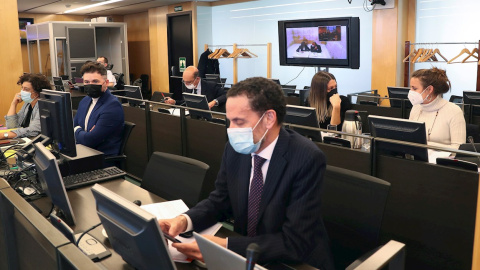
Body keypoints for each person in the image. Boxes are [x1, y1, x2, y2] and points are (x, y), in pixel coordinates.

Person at [159, 77, 334, 269]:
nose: (231, 130)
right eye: (229, 121)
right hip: (246, 256)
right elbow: (220, 201)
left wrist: (227, 246)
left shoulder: (306, 158)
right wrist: (184, 220)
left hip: (293, 262)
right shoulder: (235, 150)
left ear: (269, 118)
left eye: (239, 122)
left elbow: (295, 242)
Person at [73, 62, 124, 157]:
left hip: (101, 158)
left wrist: (78, 130)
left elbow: (90, 140)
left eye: (95, 82)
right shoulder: (85, 101)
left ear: (106, 83)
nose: (90, 85)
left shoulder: (112, 106)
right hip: (82, 152)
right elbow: (74, 125)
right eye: (87, 82)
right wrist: (82, 132)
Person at [408, 67, 465, 149]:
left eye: (414, 88)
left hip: (442, 161)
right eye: (411, 88)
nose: (411, 91)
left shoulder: (454, 111)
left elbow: (458, 148)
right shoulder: (416, 108)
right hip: (417, 159)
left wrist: (428, 147)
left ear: (429, 89)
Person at [1, 73, 51, 140]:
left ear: (36, 94)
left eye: (26, 89)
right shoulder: (27, 104)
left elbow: (33, 130)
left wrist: (5, 135)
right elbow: (12, 126)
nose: (22, 92)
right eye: (22, 88)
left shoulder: (43, 106)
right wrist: (13, 104)